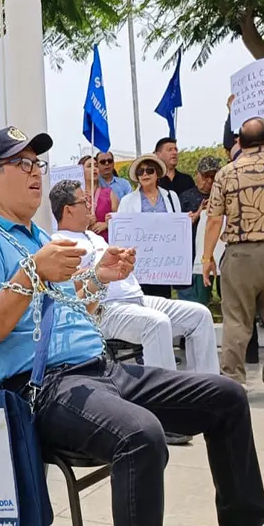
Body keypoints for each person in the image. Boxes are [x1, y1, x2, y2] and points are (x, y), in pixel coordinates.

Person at [0, 125, 264, 526]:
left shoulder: (39, 237)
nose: (35, 173)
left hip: (100, 371)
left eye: (38, 163)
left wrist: (98, 278)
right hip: (43, 389)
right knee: (141, 435)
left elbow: (62, 307)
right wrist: (31, 274)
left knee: (226, 397)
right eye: (23, 163)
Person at [51, 179, 220, 446]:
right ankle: (165, 414)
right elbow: (68, 285)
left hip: (136, 299)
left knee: (199, 315)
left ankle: (207, 400)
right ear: (68, 210)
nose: (89, 206)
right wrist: (98, 270)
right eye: (84, 202)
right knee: (156, 323)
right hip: (104, 309)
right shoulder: (59, 243)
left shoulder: (94, 236)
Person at [203, 117, 264, 398]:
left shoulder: (226, 174)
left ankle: (234, 379)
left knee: (236, 319)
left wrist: (207, 256)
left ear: (240, 143)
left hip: (240, 253)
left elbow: (213, 220)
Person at [117, 153, 182, 299]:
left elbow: (177, 227)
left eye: (150, 170)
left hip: (165, 263)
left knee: (164, 301)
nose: (145, 174)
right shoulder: (127, 201)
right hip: (139, 263)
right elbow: (122, 232)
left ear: (157, 173)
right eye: (141, 172)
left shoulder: (171, 197)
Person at [176, 156, 224, 305]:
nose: (209, 181)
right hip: (195, 256)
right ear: (197, 174)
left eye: (213, 176)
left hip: (223, 252)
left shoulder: (226, 196)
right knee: (198, 302)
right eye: (205, 176)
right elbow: (177, 229)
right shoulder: (185, 197)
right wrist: (197, 213)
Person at [78, 155, 119, 241]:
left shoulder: (109, 193)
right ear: (80, 171)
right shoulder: (76, 196)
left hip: (106, 244)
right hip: (84, 244)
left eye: (96, 166)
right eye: (89, 166)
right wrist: (85, 223)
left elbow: (120, 220)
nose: (94, 168)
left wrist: (106, 225)